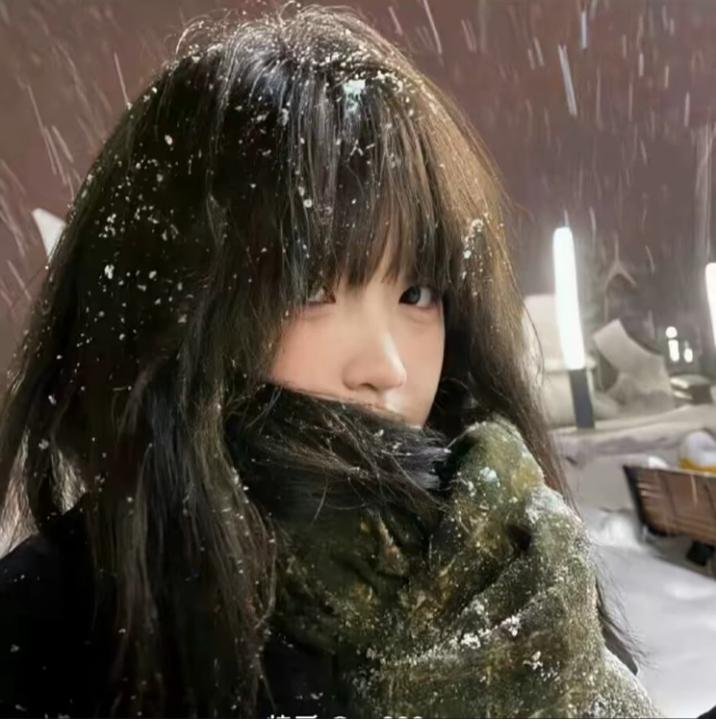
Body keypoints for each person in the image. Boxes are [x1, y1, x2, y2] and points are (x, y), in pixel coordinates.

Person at [0, 4, 660, 717]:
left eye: (416, 293)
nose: (387, 366)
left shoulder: (513, 556)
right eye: (310, 292)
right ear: (176, 308)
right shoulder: (52, 632)